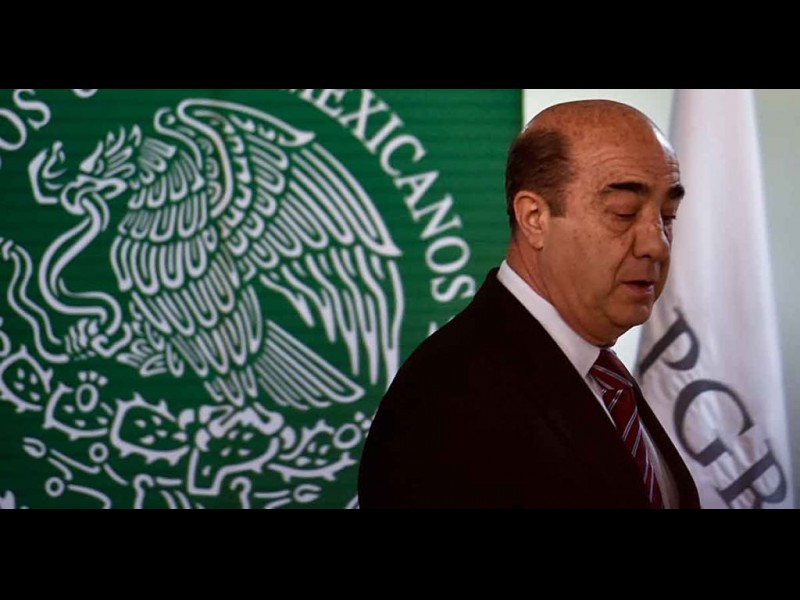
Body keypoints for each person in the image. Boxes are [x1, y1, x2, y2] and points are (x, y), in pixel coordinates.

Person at [357, 99, 701, 509]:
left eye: (668, 215)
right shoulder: (447, 401)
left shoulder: (603, 376)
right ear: (534, 217)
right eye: (623, 213)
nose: (656, 244)